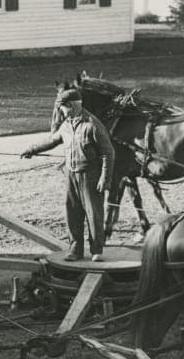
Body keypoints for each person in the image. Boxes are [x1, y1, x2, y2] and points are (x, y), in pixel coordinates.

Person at [21, 88, 115, 262]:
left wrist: (105, 178)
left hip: (90, 176)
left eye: (61, 108)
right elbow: (52, 141)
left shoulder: (93, 125)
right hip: (71, 176)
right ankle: (75, 250)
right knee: (72, 213)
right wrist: (32, 150)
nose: (60, 112)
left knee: (94, 215)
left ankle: (96, 250)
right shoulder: (66, 125)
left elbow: (108, 153)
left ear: (70, 106)